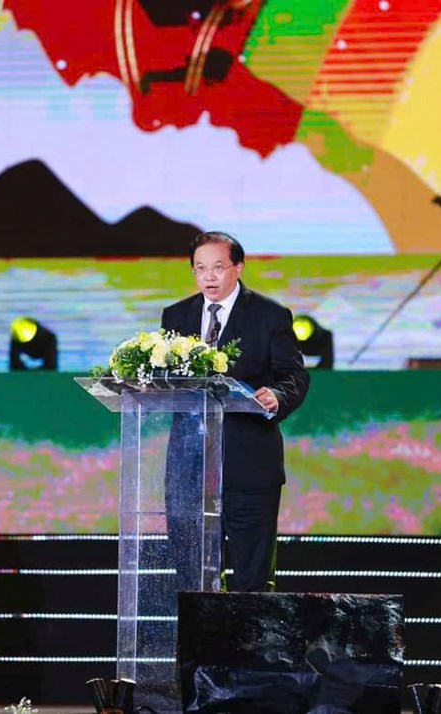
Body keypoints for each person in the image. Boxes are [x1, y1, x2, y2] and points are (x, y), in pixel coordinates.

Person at [161, 230, 310, 592]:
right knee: (193, 577)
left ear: (238, 267)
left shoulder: (269, 316)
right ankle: (201, 648)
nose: (208, 277)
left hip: (249, 467)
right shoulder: (176, 315)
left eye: (217, 267)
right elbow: (166, 381)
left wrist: (276, 395)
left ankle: (248, 649)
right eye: (200, 269)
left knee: (251, 580)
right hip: (189, 469)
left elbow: (294, 376)